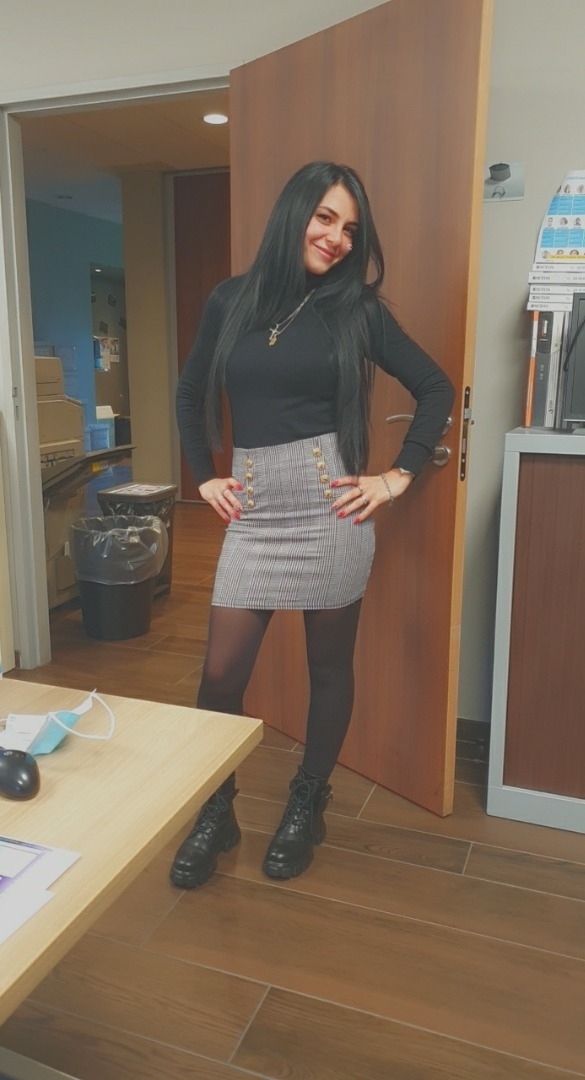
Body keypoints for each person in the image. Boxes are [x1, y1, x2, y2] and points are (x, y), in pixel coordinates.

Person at [172, 161, 454, 888]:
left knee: (328, 669)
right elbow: (190, 390)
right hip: (256, 515)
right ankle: (216, 809)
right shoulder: (230, 299)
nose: (336, 238)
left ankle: (307, 804)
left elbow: (434, 387)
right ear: (294, 213)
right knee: (220, 676)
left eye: (350, 229)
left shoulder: (356, 309)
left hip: (331, 513)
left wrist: (395, 477)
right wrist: (203, 474)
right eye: (325, 218)